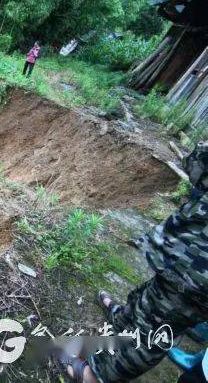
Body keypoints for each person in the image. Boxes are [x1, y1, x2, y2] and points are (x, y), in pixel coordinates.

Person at [60, 142, 208, 383]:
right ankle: (123, 321)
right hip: (187, 254)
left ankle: (96, 376)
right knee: (151, 299)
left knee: (156, 331)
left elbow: (197, 166)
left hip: (196, 273)